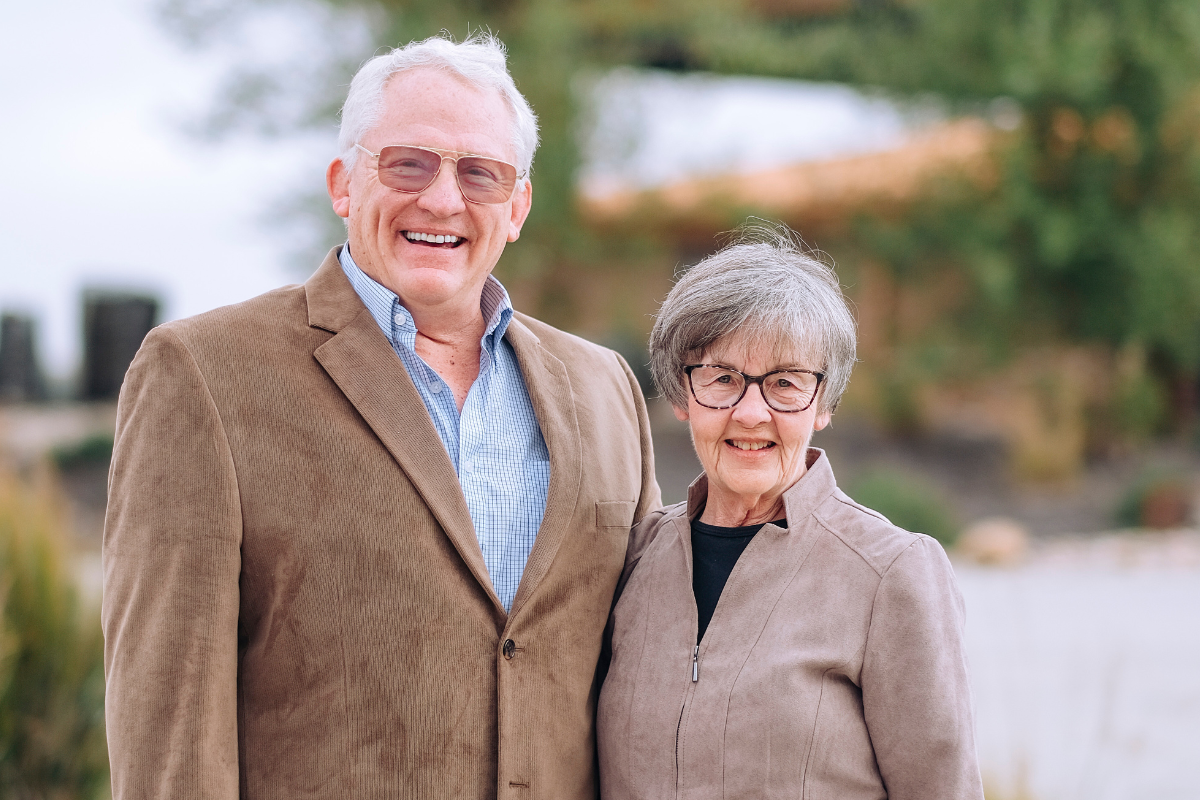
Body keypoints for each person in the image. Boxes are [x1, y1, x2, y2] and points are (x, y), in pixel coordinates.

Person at [102, 33, 660, 800]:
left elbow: (649, 675)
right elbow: (169, 719)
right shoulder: (201, 374)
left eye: (480, 173)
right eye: (408, 163)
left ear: (518, 205)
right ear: (342, 183)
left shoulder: (606, 388)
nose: (442, 198)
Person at [597, 226, 983, 799]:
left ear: (823, 403)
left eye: (784, 383)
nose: (751, 413)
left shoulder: (890, 573)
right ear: (682, 396)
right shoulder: (632, 558)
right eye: (722, 379)